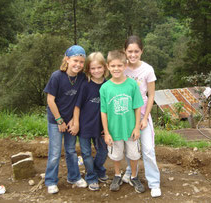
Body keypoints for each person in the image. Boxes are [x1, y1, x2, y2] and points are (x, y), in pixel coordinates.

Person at [100, 50, 145, 193]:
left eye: (119, 65)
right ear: (108, 66)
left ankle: (134, 176)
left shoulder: (132, 85)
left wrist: (137, 127)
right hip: (114, 130)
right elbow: (103, 112)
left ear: (125, 65)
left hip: (130, 128)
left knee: (133, 154)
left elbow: (137, 107)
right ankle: (117, 175)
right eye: (113, 66)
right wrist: (106, 132)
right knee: (116, 155)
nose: (116, 69)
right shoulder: (105, 87)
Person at [44, 45, 87, 194]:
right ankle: (50, 180)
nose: (78, 65)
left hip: (71, 121)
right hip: (56, 120)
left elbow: (80, 100)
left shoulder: (81, 78)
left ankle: (73, 177)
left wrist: (74, 121)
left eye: (82, 62)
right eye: (75, 60)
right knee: (55, 152)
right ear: (67, 59)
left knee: (71, 150)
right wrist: (59, 120)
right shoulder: (57, 76)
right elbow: (50, 100)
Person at [122, 35, 161, 198]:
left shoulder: (147, 69)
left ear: (141, 51)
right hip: (126, 115)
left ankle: (154, 183)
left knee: (148, 149)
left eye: (136, 51)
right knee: (130, 148)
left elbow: (151, 95)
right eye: (129, 51)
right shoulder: (121, 67)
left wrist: (145, 119)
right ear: (124, 51)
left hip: (143, 114)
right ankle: (131, 172)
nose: (132, 55)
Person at [72, 52, 109, 191]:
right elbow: (77, 106)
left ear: (104, 68)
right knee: (86, 153)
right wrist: (76, 123)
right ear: (88, 70)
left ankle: (98, 168)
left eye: (99, 67)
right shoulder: (85, 85)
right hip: (85, 127)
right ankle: (91, 176)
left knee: (104, 150)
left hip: (101, 127)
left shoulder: (108, 85)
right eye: (93, 69)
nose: (96, 71)